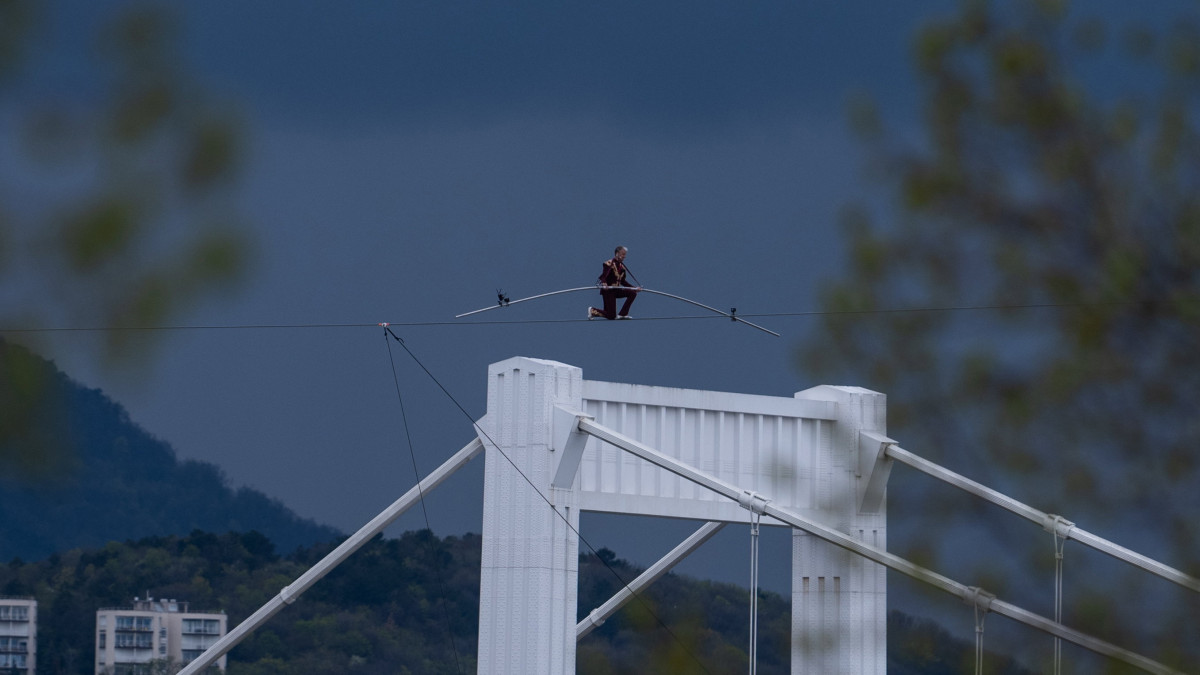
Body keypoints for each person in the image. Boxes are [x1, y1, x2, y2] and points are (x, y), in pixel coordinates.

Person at [589, 246, 640, 320]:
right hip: (608, 291)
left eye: (625, 255)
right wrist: (604, 283)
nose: (624, 256)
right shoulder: (609, 263)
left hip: (616, 290)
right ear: (617, 254)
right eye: (623, 254)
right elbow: (603, 276)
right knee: (611, 316)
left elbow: (623, 281)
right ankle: (592, 310)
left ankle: (623, 314)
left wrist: (634, 288)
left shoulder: (622, 267)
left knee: (632, 293)